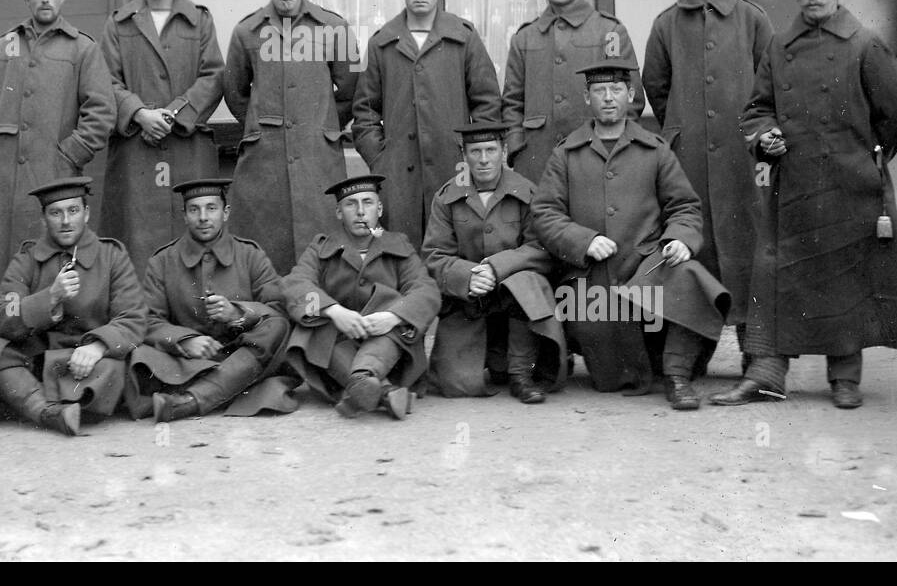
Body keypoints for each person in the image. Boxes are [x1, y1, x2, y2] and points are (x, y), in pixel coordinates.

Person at [713, 0, 897, 410]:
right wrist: (764, 137)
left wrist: (871, 156)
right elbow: (756, 109)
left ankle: (844, 378)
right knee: (776, 275)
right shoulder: (779, 47)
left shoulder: (865, 44)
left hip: (852, 186)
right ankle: (767, 374)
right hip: (794, 186)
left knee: (844, 279)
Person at [532, 63, 730, 411]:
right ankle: (636, 362)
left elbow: (684, 205)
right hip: (591, 278)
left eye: (616, 90)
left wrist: (679, 239)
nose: (608, 98)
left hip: (648, 267)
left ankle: (677, 375)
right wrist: (583, 240)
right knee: (609, 371)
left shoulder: (655, 150)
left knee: (691, 277)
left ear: (631, 95)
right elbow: (545, 213)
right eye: (599, 91)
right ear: (586, 98)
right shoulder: (566, 154)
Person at [642, 0, 773, 357]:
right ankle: (692, 349)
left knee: (746, 245)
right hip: (689, 159)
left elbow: (771, 86)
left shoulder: (752, 19)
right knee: (693, 244)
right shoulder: (666, 23)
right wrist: (683, 129)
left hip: (742, 159)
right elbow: (656, 86)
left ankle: (754, 352)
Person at [0, 0, 116, 296]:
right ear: (27, 0)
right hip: (2, 178)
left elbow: (102, 111)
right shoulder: (4, 47)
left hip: (53, 174)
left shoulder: (82, 48)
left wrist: (69, 156)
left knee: (49, 254)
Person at [222, 0, 359, 272]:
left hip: (318, 156)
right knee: (266, 240)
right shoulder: (247, 31)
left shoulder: (335, 27)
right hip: (265, 158)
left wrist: (321, 126)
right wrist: (258, 128)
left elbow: (353, 88)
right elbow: (234, 90)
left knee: (324, 234)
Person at [352, 0, 501, 250]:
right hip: (399, 173)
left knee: (457, 243)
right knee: (404, 249)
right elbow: (364, 113)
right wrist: (382, 159)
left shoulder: (463, 37)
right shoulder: (383, 42)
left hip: (454, 166)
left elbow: (487, 104)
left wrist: (474, 153)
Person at [99, 0, 225, 276]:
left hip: (187, 147)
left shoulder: (198, 20)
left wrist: (175, 114)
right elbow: (104, 82)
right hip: (137, 149)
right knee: (138, 236)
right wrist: (139, 114)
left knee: (194, 230)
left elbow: (213, 75)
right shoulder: (119, 23)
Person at [0, 177, 148, 435]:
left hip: (95, 362)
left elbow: (134, 317)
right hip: (41, 362)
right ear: (43, 219)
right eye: (55, 213)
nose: (65, 221)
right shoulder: (27, 260)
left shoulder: (111, 256)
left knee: (118, 365)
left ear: (86, 214)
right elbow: (1, 314)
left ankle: (44, 405)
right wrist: (50, 297)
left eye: (73, 211)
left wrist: (98, 346)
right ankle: (46, 411)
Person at [422, 123, 566, 403]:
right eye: (475, 151)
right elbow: (434, 255)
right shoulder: (447, 198)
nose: (484, 158)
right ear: (464, 156)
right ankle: (496, 361)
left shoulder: (528, 193)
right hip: (470, 302)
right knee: (455, 383)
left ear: (504, 151)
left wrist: (496, 267)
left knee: (527, 280)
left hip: (516, 298)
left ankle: (521, 373)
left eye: (491, 150)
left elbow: (541, 248)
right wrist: (468, 276)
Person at [129, 178, 294, 422]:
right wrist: (184, 341)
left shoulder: (250, 254)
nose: (203, 217)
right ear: (184, 216)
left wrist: (238, 314)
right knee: (138, 353)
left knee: (279, 327)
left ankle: (189, 401)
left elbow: (278, 309)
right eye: (194, 210)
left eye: (211, 208)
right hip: (189, 361)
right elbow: (149, 319)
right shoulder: (163, 261)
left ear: (225, 213)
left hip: (245, 354)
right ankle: (219, 390)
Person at [280, 174, 440, 419]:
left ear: (380, 208)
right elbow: (295, 283)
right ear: (338, 212)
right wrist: (334, 311)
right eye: (351, 204)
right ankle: (383, 391)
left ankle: (365, 381)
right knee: (310, 323)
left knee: (398, 307)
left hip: (389, 348)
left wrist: (393, 316)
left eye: (367, 202)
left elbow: (426, 290)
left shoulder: (398, 246)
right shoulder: (321, 248)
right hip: (337, 346)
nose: (360, 212)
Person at [502, 0, 643, 186]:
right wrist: (517, 147)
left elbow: (630, 99)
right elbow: (512, 101)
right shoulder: (525, 37)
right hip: (536, 159)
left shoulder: (608, 31)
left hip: (595, 155)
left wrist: (612, 147)